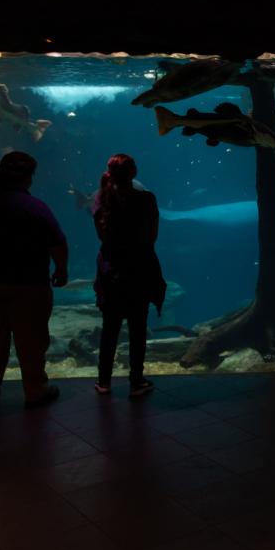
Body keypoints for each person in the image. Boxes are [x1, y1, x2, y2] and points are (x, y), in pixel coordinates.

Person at [0, 152, 68, 408]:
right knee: (32, 340)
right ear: (29, 178)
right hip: (30, 286)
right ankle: (35, 389)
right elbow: (57, 243)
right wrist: (61, 270)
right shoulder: (36, 208)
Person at [92, 154, 166, 397]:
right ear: (133, 174)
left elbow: (102, 237)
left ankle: (103, 382)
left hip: (111, 270)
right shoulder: (146, 198)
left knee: (110, 328)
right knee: (137, 328)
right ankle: (136, 382)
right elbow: (152, 236)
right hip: (139, 269)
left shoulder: (101, 198)